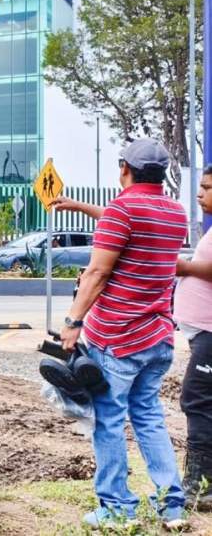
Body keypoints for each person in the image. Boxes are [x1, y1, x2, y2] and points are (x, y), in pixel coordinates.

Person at [52, 139, 188, 530]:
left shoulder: (123, 209)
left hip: (119, 339)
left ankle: (116, 510)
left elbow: (97, 272)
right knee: (148, 417)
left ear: (124, 168)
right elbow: (124, 218)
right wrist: (79, 207)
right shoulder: (174, 213)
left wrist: (73, 322)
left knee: (108, 420)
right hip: (159, 337)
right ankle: (170, 505)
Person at [173, 165, 212, 509]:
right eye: (200, 187)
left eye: (208, 188)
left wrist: (184, 267)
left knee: (197, 399)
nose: (201, 194)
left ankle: (201, 486)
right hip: (204, 333)